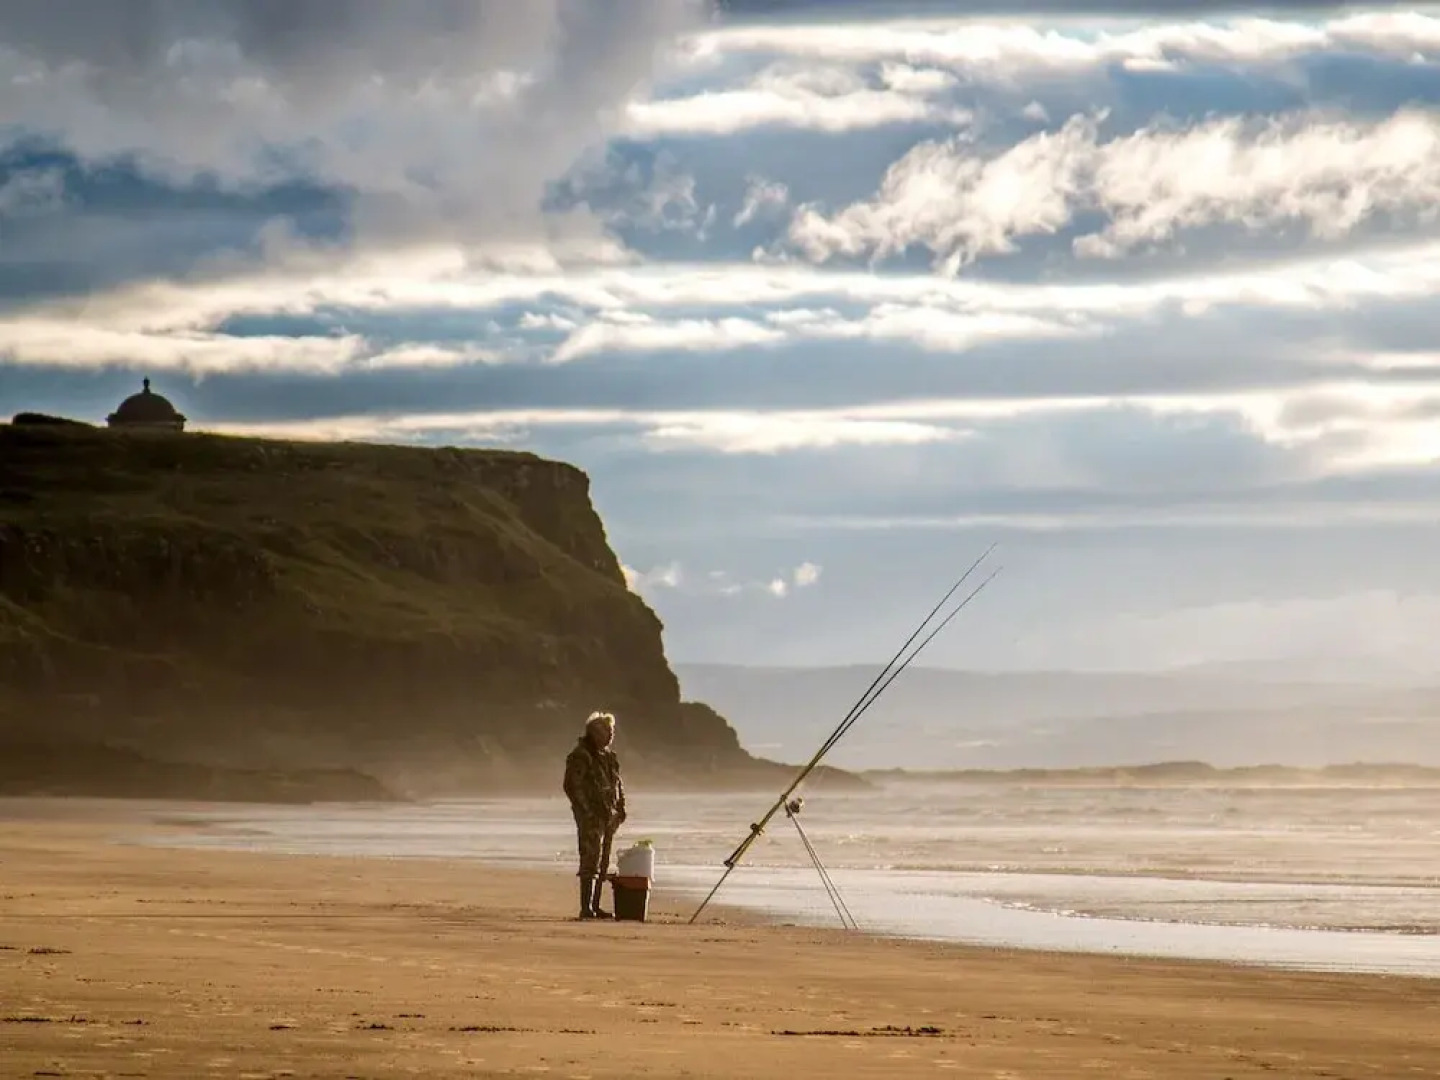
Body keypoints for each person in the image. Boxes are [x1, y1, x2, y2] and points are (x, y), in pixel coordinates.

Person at [562, 710, 627, 920]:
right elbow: (572, 786)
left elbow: (618, 783)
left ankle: (595, 905)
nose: (610, 735)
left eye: (611, 731)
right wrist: (586, 812)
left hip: (609, 815)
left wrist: (621, 808)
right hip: (590, 817)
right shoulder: (581, 755)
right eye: (606, 731)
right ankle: (586, 907)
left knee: (603, 862)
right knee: (590, 860)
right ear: (593, 732)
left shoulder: (609, 757)